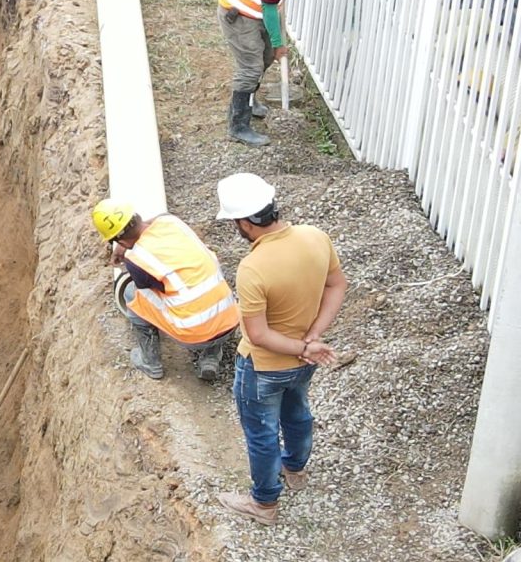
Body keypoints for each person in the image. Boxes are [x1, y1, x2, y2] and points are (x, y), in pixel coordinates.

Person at [211, 173, 344, 526]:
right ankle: (295, 470)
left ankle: (264, 504)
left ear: (244, 223)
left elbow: (257, 335)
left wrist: (303, 346)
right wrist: (312, 339)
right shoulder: (316, 236)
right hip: (303, 362)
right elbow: (336, 285)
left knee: (262, 433)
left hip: (264, 368)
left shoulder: (253, 267)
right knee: (297, 412)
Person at [91, 199, 240, 382]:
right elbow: (160, 217)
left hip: (194, 335)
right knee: (201, 285)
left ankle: (151, 362)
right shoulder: (171, 222)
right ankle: (210, 357)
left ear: (118, 239)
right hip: (230, 317)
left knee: (133, 294)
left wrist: (125, 247)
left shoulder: (137, 259)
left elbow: (148, 290)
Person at [218, 0, 323, 147]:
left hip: (255, 10)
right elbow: (269, 9)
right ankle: (238, 125)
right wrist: (278, 45)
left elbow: (270, 6)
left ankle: (251, 101)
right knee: (251, 67)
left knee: (263, 59)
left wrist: (272, 49)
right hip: (239, 14)